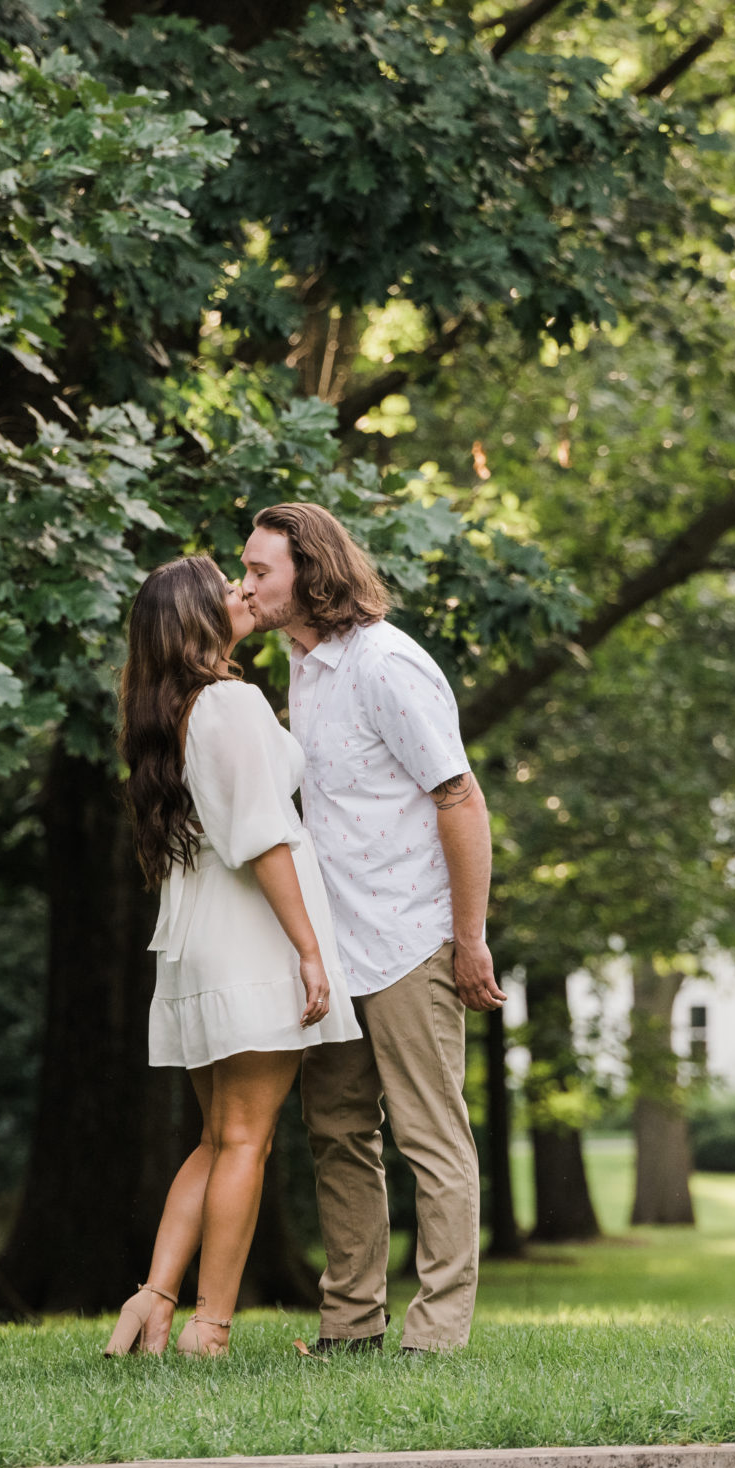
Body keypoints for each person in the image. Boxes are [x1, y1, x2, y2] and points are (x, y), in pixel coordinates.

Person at [241, 501, 504, 1357]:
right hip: (337, 946)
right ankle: (351, 1323)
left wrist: (468, 938)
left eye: (259, 572)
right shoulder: (303, 666)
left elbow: (460, 798)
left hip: (410, 938)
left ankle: (437, 1333)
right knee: (338, 1134)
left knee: (432, 1136)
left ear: (309, 574)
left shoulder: (388, 665)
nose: (246, 585)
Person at [101, 555, 361, 1359]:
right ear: (195, 623)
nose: (242, 592)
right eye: (225, 589)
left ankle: (151, 1302)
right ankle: (209, 1327)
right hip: (249, 942)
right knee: (246, 1138)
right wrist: (311, 952)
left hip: (195, 945)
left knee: (219, 1137)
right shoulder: (230, 703)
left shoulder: (173, 713)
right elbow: (264, 838)